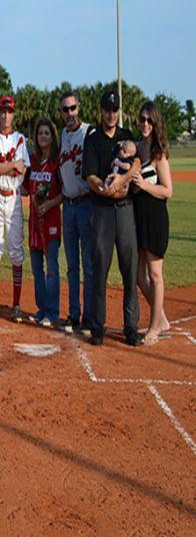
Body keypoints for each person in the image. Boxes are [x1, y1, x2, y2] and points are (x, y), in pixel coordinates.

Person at [82, 88, 142, 347]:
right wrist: (107, 189)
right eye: (107, 109)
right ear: (101, 111)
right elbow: (90, 176)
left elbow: (137, 163)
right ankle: (98, 326)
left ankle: (131, 327)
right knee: (99, 271)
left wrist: (122, 181)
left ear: (119, 112)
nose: (111, 114)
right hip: (103, 211)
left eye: (115, 110)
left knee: (129, 269)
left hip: (126, 210)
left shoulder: (126, 136)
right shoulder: (93, 138)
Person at [0, 95, 29, 324]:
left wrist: (5, 168)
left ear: (14, 113)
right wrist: (11, 166)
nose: (5, 115)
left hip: (14, 201)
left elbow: (23, 171)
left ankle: (16, 305)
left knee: (15, 253)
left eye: (9, 111)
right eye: (2, 110)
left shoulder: (21, 139)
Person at [132, 101, 173, 345]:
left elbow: (168, 190)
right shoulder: (138, 148)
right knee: (139, 275)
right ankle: (163, 319)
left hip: (155, 217)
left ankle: (154, 328)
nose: (145, 124)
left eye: (149, 120)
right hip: (138, 216)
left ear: (155, 123)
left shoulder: (158, 154)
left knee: (155, 274)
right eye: (142, 119)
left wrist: (145, 185)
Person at [57, 90, 94, 335]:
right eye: (65, 109)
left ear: (78, 108)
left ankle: (90, 317)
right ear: (61, 113)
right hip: (67, 206)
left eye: (73, 108)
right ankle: (73, 314)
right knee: (72, 265)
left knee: (89, 264)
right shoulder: (62, 134)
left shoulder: (88, 133)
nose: (70, 113)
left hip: (86, 204)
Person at [23, 117, 63, 327]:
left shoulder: (57, 162)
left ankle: (53, 312)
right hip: (34, 223)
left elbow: (64, 192)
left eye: (47, 133)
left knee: (51, 268)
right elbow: (22, 188)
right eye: (40, 133)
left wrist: (49, 204)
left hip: (51, 221)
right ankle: (41, 308)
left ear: (52, 136)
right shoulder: (32, 160)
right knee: (37, 268)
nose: (43, 136)